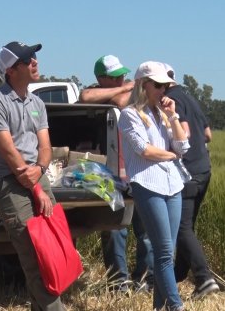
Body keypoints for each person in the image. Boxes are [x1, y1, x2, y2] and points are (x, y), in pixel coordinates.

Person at [0, 41, 67, 310]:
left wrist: (41, 170)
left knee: (50, 251)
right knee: (33, 254)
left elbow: (45, 146)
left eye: (34, 58)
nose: (35, 63)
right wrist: (37, 188)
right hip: (10, 182)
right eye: (28, 59)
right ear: (11, 70)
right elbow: (9, 153)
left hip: (36, 176)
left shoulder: (37, 103)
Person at [118, 61, 189, 311]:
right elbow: (144, 150)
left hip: (172, 185)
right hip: (148, 185)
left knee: (168, 254)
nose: (163, 91)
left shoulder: (163, 115)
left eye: (166, 86)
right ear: (143, 85)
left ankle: (160, 306)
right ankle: (176, 305)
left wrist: (173, 116)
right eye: (158, 85)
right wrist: (171, 155)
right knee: (163, 250)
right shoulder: (129, 115)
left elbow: (182, 147)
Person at [80, 55, 154, 292]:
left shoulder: (127, 95)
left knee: (145, 231)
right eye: (115, 77)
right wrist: (126, 87)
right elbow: (85, 97)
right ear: (100, 78)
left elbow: (122, 101)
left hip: (139, 171)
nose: (122, 78)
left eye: (122, 75)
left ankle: (144, 280)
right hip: (110, 175)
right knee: (114, 230)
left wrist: (121, 89)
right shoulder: (96, 94)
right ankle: (118, 282)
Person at [163, 64, 220, 299]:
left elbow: (183, 133)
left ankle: (204, 278)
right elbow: (208, 135)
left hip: (186, 174)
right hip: (204, 170)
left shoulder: (168, 100)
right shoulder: (191, 97)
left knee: (181, 228)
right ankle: (178, 274)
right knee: (188, 226)